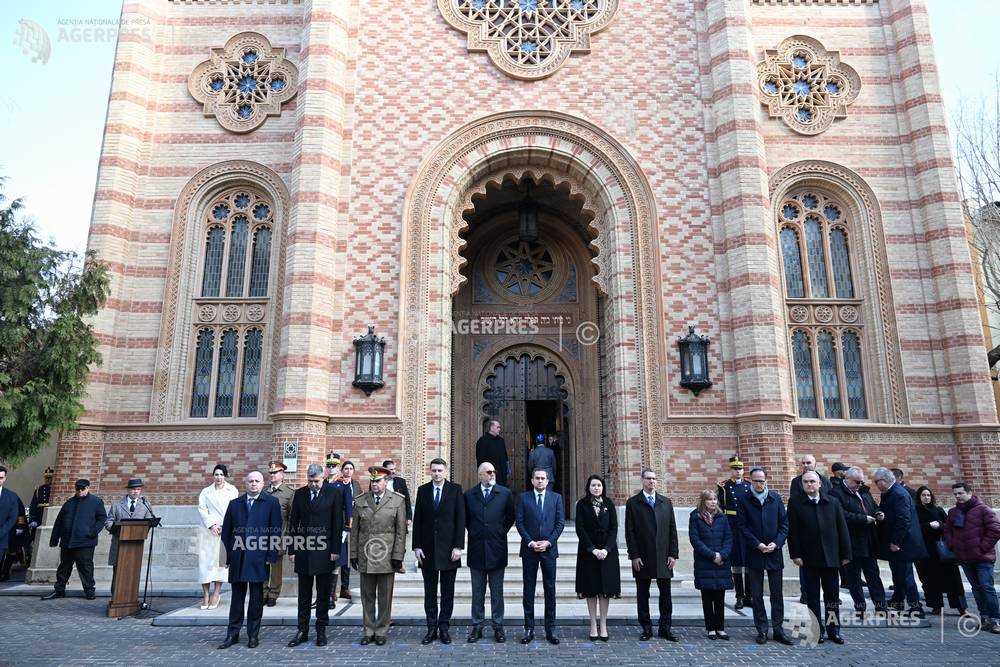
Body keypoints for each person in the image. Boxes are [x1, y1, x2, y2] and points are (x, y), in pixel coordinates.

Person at [218, 470, 283, 649]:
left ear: (263, 484)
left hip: (259, 558)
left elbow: (275, 531)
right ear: (245, 483)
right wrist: (225, 557)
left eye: (257, 481)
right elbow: (226, 533)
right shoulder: (235, 504)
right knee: (236, 599)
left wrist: (271, 556)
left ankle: (253, 635)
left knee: (256, 599)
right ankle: (233, 634)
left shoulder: (271, 503)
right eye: (250, 481)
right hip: (238, 558)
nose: (253, 484)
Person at [787, 470, 851, 644]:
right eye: (806, 482)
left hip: (831, 558)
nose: (809, 484)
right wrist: (795, 554)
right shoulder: (795, 503)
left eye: (813, 481)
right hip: (809, 558)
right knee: (812, 598)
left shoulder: (833, 502)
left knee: (832, 598)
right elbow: (793, 532)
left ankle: (834, 630)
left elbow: (842, 528)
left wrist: (845, 554)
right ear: (802, 484)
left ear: (820, 483)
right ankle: (817, 630)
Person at [286, 463, 344, 647]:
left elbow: (337, 523)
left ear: (323, 477)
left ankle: (321, 630)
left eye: (316, 481)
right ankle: (302, 630)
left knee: (323, 593)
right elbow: (293, 522)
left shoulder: (333, 493)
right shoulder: (300, 494)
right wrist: (292, 549)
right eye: (310, 481)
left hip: (325, 550)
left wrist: (336, 550)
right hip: (303, 549)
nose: (313, 485)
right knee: (304, 594)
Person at [350, 466, 407, 645]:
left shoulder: (397, 501)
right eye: (372, 481)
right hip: (366, 554)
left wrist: (398, 555)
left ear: (386, 482)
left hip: (387, 555)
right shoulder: (360, 501)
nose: (374, 484)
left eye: (378, 481)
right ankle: (368, 629)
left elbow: (401, 531)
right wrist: (353, 554)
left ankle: (381, 630)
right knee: (367, 595)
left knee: (384, 596)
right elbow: (355, 531)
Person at [412, 458, 465, 644]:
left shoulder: (456, 490)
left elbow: (460, 520)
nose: (436, 473)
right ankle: (431, 628)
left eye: (440, 470)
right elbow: (417, 519)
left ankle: (444, 628)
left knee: (447, 593)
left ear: (446, 471)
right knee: (430, 593)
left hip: (450, 550)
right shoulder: (422, 490)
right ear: (429, 471)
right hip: (427, 550)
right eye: (433, 470)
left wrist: (459, 546)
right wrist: (416, 546)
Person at [625, 468, 680, 642]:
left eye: (654, 479)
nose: (652, 481)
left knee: (666, 595)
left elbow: (673, 530)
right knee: (643, 594)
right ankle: (646, 628)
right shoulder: (633, 503)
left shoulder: (666, 502)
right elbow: (630, 531)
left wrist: (673, 554)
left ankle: (665, 628)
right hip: (643, 555)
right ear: (642, 480)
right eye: (648, 478)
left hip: (664, 555)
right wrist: (634, 555)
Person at [464, 461, 516, 643]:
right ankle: (477, 626)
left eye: (493, 471)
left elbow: (510, 516)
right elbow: (466, 519)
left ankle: (498, 626)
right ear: (480, 475)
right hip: (477, 549)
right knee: (477, 592)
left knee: (497, 592)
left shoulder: (505, 493)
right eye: (489, 472)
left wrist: (500, 531)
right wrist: (476, 532)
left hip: (496, 548)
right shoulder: (469, 495)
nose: (492, 474)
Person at [516, 468, 564, 645]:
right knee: (528, 589)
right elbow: (519, 522)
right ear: (532, 480)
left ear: (548, 480)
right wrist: (530, 542)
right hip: (529, 550)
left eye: (543, 478)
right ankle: (528, 628)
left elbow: (559, 524)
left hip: (549, 551)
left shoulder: (556, 498)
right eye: (537, 478)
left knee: (549, 589)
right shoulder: (523, 498)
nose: (540, 481)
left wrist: (548, 542)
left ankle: (550, 628)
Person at [830, 467, 887, 615]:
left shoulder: (863, 491)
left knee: (873, 575)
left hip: (868, 541)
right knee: (854, 578)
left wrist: (878, 513)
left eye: (861, 482)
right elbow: (840, 514)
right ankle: (860, 607)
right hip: (850, 542)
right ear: (847, 479)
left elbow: (873, 507)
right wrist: (863, 519)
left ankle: (881, 606)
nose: (859, 484)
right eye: (857, 482)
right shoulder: (836, 493)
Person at [945, 482, 1000, 633]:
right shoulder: (953, 512)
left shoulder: (983, 509)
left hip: (983, 558)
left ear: (969, 493)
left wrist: (982, 547)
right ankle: (984, 618)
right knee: (976, 589)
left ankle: (995, 620)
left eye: (960, 493)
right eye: (955, 494)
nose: (958, 496)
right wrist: (952, 545)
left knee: (986, 587)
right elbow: (948, 531)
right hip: (964, 558)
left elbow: (995, 530)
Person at [872, 466, 927, 616]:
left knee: (906, 575)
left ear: (884, 480)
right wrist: (881, 514)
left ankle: (916, 607)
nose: (876, 484)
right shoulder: (889, 493)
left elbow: (903, 520)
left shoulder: (899, 494)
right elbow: (890, 513)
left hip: (903, 543)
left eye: (877, 481)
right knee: (897, 574)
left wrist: (896, 542)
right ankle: (898, 601)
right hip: (896, 542)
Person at [42, 479, 108, 601]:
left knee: (86, 567)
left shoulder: (96, 502)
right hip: (67, 541)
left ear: (88, 488)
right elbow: (59, 522)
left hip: (85, 542)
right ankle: (59, 590)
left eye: (82, 489)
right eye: (77, 489)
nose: (80, 491)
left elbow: (102, 518)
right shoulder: (69, 503)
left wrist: (93, 532)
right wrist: (54, 538)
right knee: (64, 567)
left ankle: (89, 591)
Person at [574, 474, 620, 641]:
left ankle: (604, 624)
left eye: (599, 485)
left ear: (603, 487)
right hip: (588, 553)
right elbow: (580, 528)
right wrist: (592, 549)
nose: (596, 488)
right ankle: (593, 624)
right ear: (588, 487)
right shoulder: (582, 505)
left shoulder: (609, 504)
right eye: (593, 485)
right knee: (591, 589)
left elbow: (614, 528)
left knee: (605, 590)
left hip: (608, 553)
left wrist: (606, 549)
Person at [914, 485, 966, 616]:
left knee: (953, 579)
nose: (926, 498)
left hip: (943, 549)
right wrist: (927, 526)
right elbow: (913, 528)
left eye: (928, 495)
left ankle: (961, 606)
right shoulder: (915, 511)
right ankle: (936, 605)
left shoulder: (938, 510)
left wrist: (939, 524)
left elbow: (948, 525)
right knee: (930, 579)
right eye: (923, 495)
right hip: (926, 550)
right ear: (919, 497)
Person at [788, 454, 832, 603]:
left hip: (825, 529)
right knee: (805, 568)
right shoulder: (796, 482)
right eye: (803, 463)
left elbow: (830, 501)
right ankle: (805, 593)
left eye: (809, 462)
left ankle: (831, 595)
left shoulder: (825, 481)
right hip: (805, 530)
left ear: (815, 463)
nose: (806, 465)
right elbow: (795, 503)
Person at [689, 489, 733, 640]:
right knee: (707, 597)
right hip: (705, 562)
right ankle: (710, 628)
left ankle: (720, 627)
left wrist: (722, 554)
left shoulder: (722, 517)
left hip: (721, 562)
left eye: (714, 499)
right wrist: (712, 555)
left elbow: (728, 538)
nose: (713, 502)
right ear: (703, 501)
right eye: (709, 499)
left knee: (720, 597)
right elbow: (695, 540)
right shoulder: (695, 517)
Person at [197, 464, 239, 610]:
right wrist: (212, 525)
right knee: (205, 564)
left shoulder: (232, 490)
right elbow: (202, 509)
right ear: (213, 476)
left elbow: (234, 509)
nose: (219, 477)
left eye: (221, 475)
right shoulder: (206, 491)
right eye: (216, 474)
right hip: (208, 532)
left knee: (220, 563)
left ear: (225, 476)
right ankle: (206, 595)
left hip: (224, 531)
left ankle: (216, 593)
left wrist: (224, 526)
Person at [104, 478, 154, 588]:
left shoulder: (145, 505)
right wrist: (117, 529)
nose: (135, 491)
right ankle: (115, 599)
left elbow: (149, 522)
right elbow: (108, 522)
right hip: (119, 544)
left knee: (133, 574)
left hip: (135, 546)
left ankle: (131, 600)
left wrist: (142, 530)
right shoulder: (117, 505)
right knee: (118, 573)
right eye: (133, 489)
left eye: (138, 489)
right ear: (128, 490)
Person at [717, 455, 751, 609]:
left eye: (740, 469)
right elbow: (721, 507)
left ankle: (749, 595)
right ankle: (739, 595)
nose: (738, 472)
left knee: (749, 561)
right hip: (732, 525)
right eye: (735, 469)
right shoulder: (724, 487)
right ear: (731, 470)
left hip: (747, 526)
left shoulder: (748, 486)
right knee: (736, 562)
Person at [263, 461, 295, 607]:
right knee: (263, 566)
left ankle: (273, 594)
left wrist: (287, 539)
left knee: (276, 567)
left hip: (279, 536)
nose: (272, 475)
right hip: (263, 536)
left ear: (282, 474)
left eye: (275, 472)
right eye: (271, 473)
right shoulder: (264, 492)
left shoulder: (289, 493)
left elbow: (291, 518)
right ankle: (263, 592)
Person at [332, 458, 361, 602]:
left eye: (351, 469)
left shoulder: (356, 485)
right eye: (346, 469)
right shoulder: (337, 483)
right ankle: (334, 590)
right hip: (340, 523)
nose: (348, 471)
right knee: (339, 555)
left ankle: (345, 586)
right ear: (342, 471)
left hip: (353, 523)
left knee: (348, 556)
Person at [0, 467, 25, 581]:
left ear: (5, 478)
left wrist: (3, 531)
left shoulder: (11, 496)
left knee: (8, 555)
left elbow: (15, 515)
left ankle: (4, 573)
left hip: (4, 534)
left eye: (1, 477)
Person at [476, 420, 511, 488]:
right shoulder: (482, 441)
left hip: (502, 476)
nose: (499, 429)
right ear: (492, 428)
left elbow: (505, 457)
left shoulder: (501, 440)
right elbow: (480, 460)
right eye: (498, 427)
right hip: (489, 476)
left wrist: (507, 469)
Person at [382, 459, 413, 526]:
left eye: (394, 469)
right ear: (384, 470)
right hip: (382, 517)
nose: (393, 471)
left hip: (398, 516)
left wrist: (409, 517)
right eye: (391, 469)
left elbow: (407, 500)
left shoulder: (401, 482)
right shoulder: (378, 482)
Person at [28, 467, 55, 542]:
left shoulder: (54, 490)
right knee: (35, 537)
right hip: (39, 516)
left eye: (50, 478)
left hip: (49, 515)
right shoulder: (39, 489)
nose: (47, 480)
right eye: (46, 478)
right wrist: (32, 520)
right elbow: (33, 506)